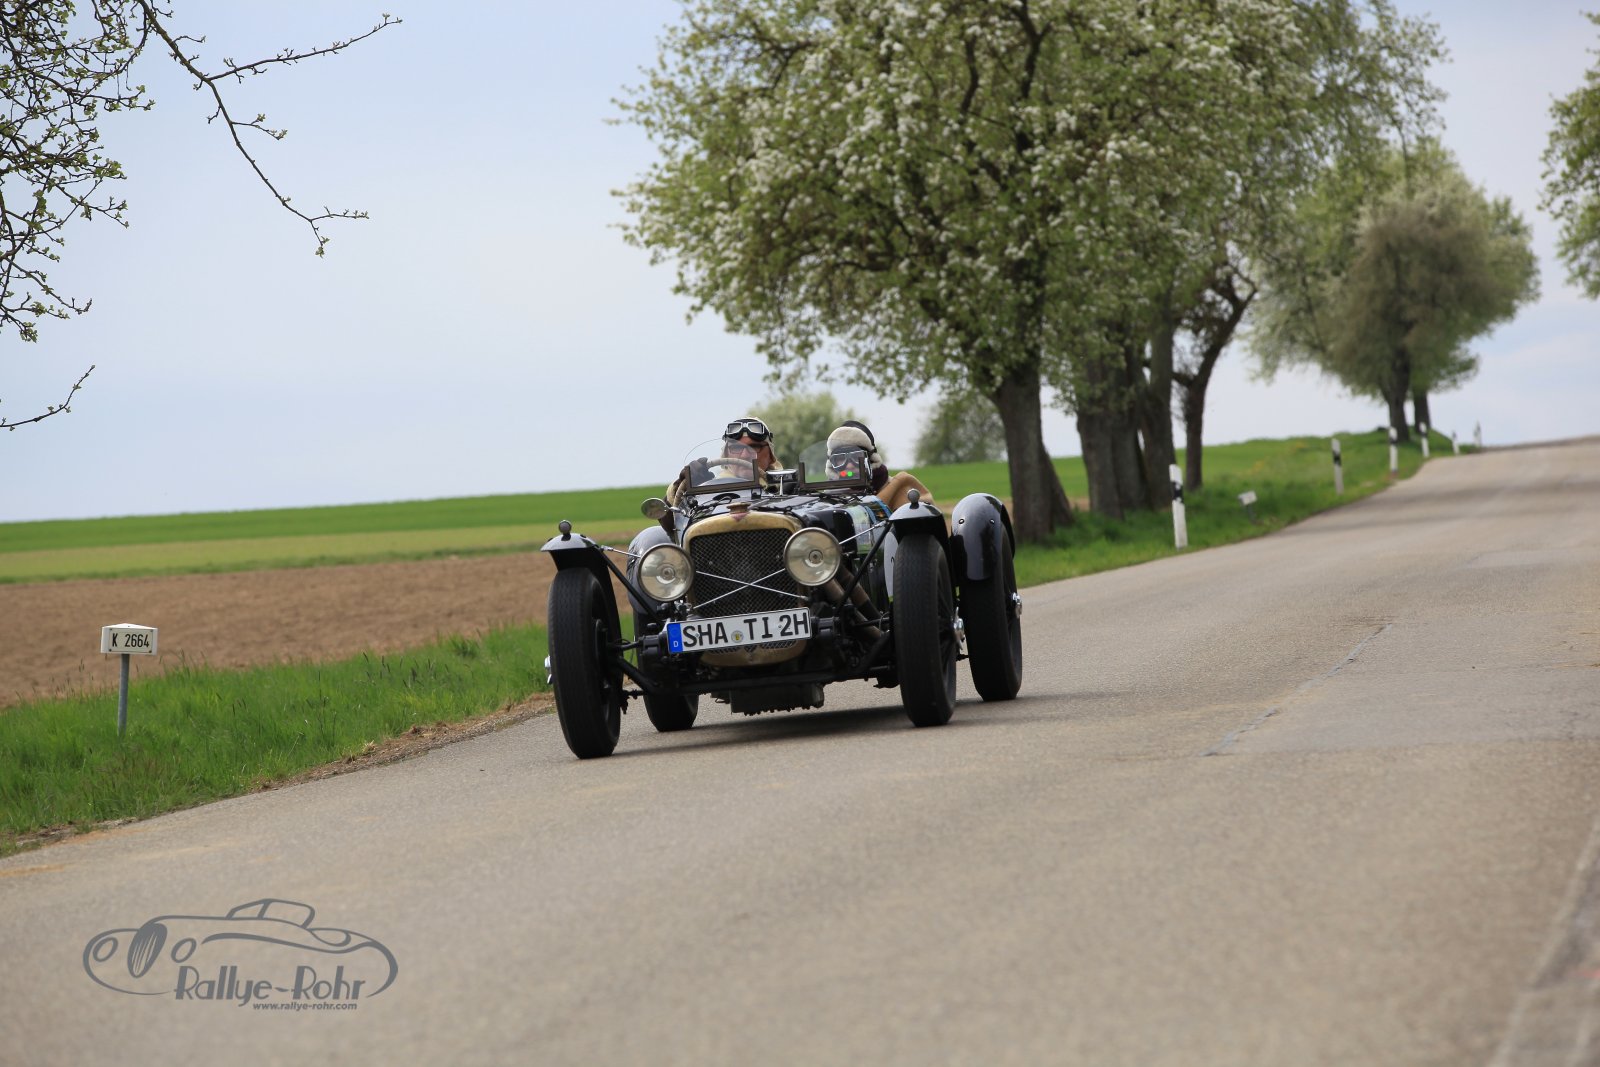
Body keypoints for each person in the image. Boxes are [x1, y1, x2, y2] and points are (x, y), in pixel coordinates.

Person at [666, 417, 783, 505]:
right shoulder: (707, 491)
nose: (745, 455)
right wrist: (687, 487)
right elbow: (674, 522)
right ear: (726, 456)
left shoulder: (786, 487)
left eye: (755, 447)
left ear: (771, 456)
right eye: (736, 448)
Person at [825, 421, 931, 511]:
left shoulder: (900, 488)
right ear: (832, 464)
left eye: (856, 457)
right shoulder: (827, 497)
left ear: (871, 459)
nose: (849, 466)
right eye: (840, 459)